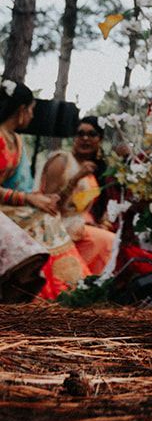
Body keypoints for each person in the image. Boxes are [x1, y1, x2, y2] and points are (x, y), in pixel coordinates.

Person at [38, 115, 118, 287]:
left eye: (91, 134)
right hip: (56, 226)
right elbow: (48, 205)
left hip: (80, 226)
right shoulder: (61, 160)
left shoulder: (97, 168)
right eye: (80, 133)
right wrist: (75, 178)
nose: (85, 138)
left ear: (100, 139)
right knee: (109, 242)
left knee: (111, 241)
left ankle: (93, 288)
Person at [0, 79, 57, 302]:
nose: (33, 116)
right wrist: (30, 199)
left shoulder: (17, 141)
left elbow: (22, 186)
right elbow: (21, 194)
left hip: (7, 206)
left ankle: (60, 290)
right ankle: (45, 295)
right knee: (42, 220)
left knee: (46, 215)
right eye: (32, 109)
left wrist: (39, 198)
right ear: (22, 109)